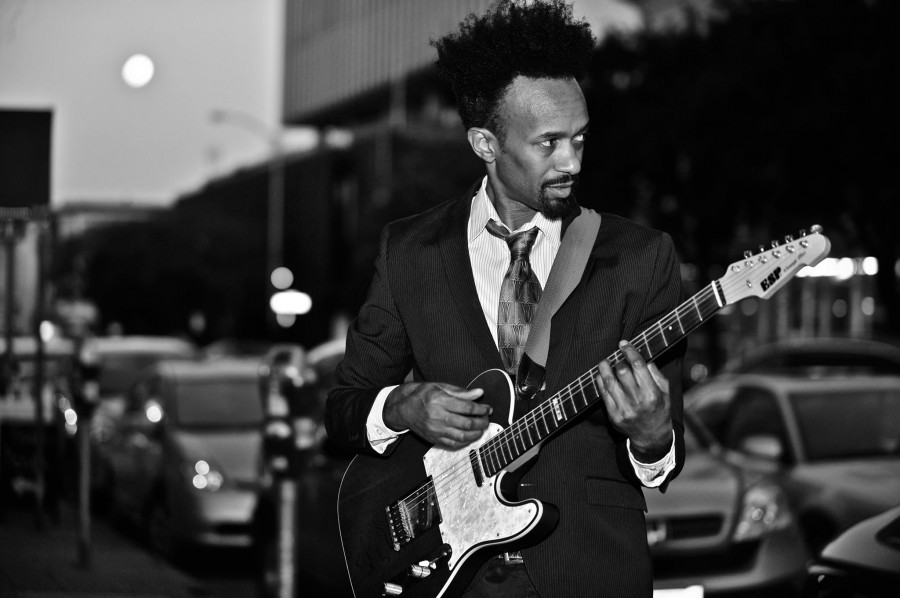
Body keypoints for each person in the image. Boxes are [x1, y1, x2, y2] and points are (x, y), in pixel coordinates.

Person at [325, 1, 686, 596]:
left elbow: (663, 459)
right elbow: (342, 408)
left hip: (587, 575)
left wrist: (651, 437)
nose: (570, 160)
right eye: (548, 143)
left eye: (579, 138)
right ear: (486, 143)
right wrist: (402, 407)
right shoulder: (410, 251)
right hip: (451, 580)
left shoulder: (640, 257)